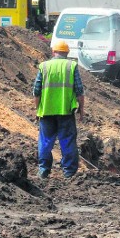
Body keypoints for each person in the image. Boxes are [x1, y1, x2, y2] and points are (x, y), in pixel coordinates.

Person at [33, 40, 85, 179]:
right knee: (67, 140)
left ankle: (44, 170)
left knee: (45, 141)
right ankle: (69, 172)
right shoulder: (71, 66)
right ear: (67, 53)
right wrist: (81, 109)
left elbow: (36, 91)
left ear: (53, 52)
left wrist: (38, 109)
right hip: (65, 111)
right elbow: (79, 90)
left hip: (46, 111)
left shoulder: (44, 66)